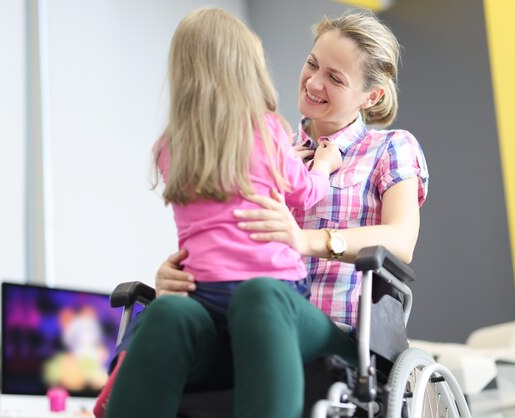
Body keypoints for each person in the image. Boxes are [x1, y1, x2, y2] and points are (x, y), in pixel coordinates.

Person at [109, 8, 429, 418]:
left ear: (372, 96)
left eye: (335, 77)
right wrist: (177, 275)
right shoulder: (257, 137)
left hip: (331, 334)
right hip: (231, 325)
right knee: (168, 312)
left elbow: (402, 240)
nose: (313, 82)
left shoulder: (390, 148)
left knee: (262, 295)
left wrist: (306, 240)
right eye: (312, 64)